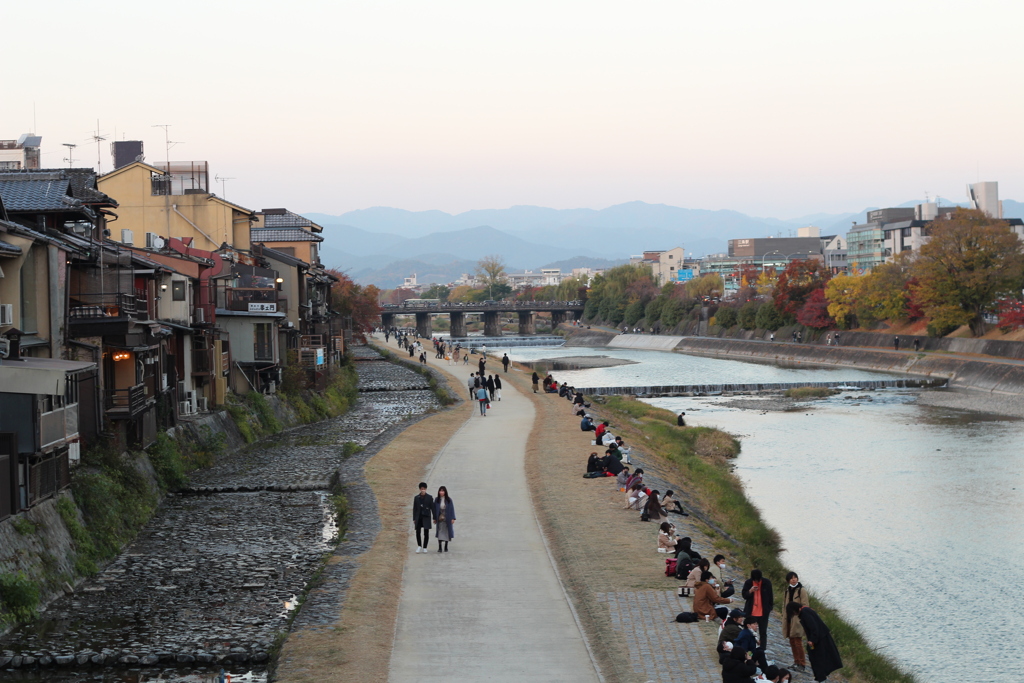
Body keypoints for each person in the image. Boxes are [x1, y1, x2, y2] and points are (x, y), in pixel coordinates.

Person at [787, 603, 843, 682]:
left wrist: (812, 640)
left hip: (820, 639)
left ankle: (820, 678)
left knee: (817, 658)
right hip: (820, 638)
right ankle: (819, 677)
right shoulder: (805, 610)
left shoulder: (805, 613)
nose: (794, 614)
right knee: (817, 658)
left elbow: (814, 627)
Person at [782, 571, 809, 672]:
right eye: (791, 578)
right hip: (788, 619)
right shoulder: (787, 590)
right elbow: (784, 605)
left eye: (795, 577)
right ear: (788, 580)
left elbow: (805, 605)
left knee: (798, 642)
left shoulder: (801, 590)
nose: (794, 579)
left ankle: (802, 664)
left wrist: (800, 616)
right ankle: (796, 661)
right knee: (792, 641)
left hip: (797, 620)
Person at [742, 569, 774, 648]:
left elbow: (771, 597)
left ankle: (762, 650)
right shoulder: (748, 583)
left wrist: (769, 608)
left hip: (763, 613)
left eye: (758, 580)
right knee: (748, 631)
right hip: (751, 612)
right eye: (755, 580)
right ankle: (748, 647)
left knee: (763, 633)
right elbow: (744, 595)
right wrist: (750, 591)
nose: (757, 581)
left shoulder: (767, 583)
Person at [412, 482, 434, 553]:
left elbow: (432, 508)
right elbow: (414, 509)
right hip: (419, 517)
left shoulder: (429, 497)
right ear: (419, 489)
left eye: (424, 489)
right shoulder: (416, 498)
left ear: (426, 489)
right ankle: (419, 546)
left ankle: (425, 547)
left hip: (426, 516)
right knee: (418, 532)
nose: (423, 490)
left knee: (426, 532)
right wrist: (414, 518)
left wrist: (434, 517)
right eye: (421, 489)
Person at [433, 486, 455, 552]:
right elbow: (434, 510)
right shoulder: (436, 500)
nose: (441, 492)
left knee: (446, 531)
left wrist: (453, 518)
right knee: (440, 531)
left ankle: (446, 546)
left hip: (447, 517)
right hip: (440, 517)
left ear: (445, 492)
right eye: (440, 491)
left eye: (443, 491)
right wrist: (434, 518)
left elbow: (452, 509)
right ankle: (439, 547)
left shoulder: (449, 500)